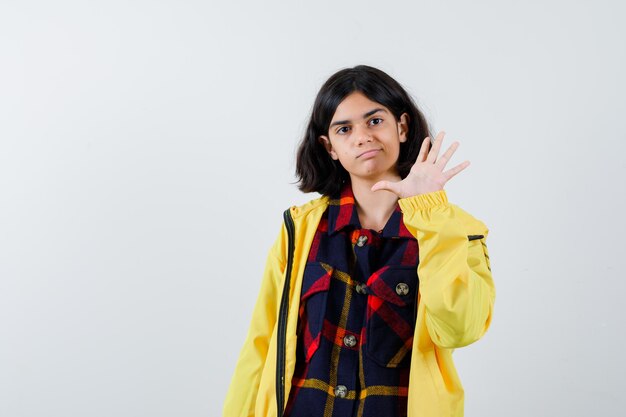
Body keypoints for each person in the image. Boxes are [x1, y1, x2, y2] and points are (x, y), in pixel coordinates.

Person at [223, 65, 495, 417]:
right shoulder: (299, 229)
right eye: (344, 129)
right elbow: (260, 344)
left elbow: (460, 329)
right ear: (330, 147)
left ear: (402, 126)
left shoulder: (454, 229)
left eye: (375, 121)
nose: (362, 137)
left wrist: (429, 213)